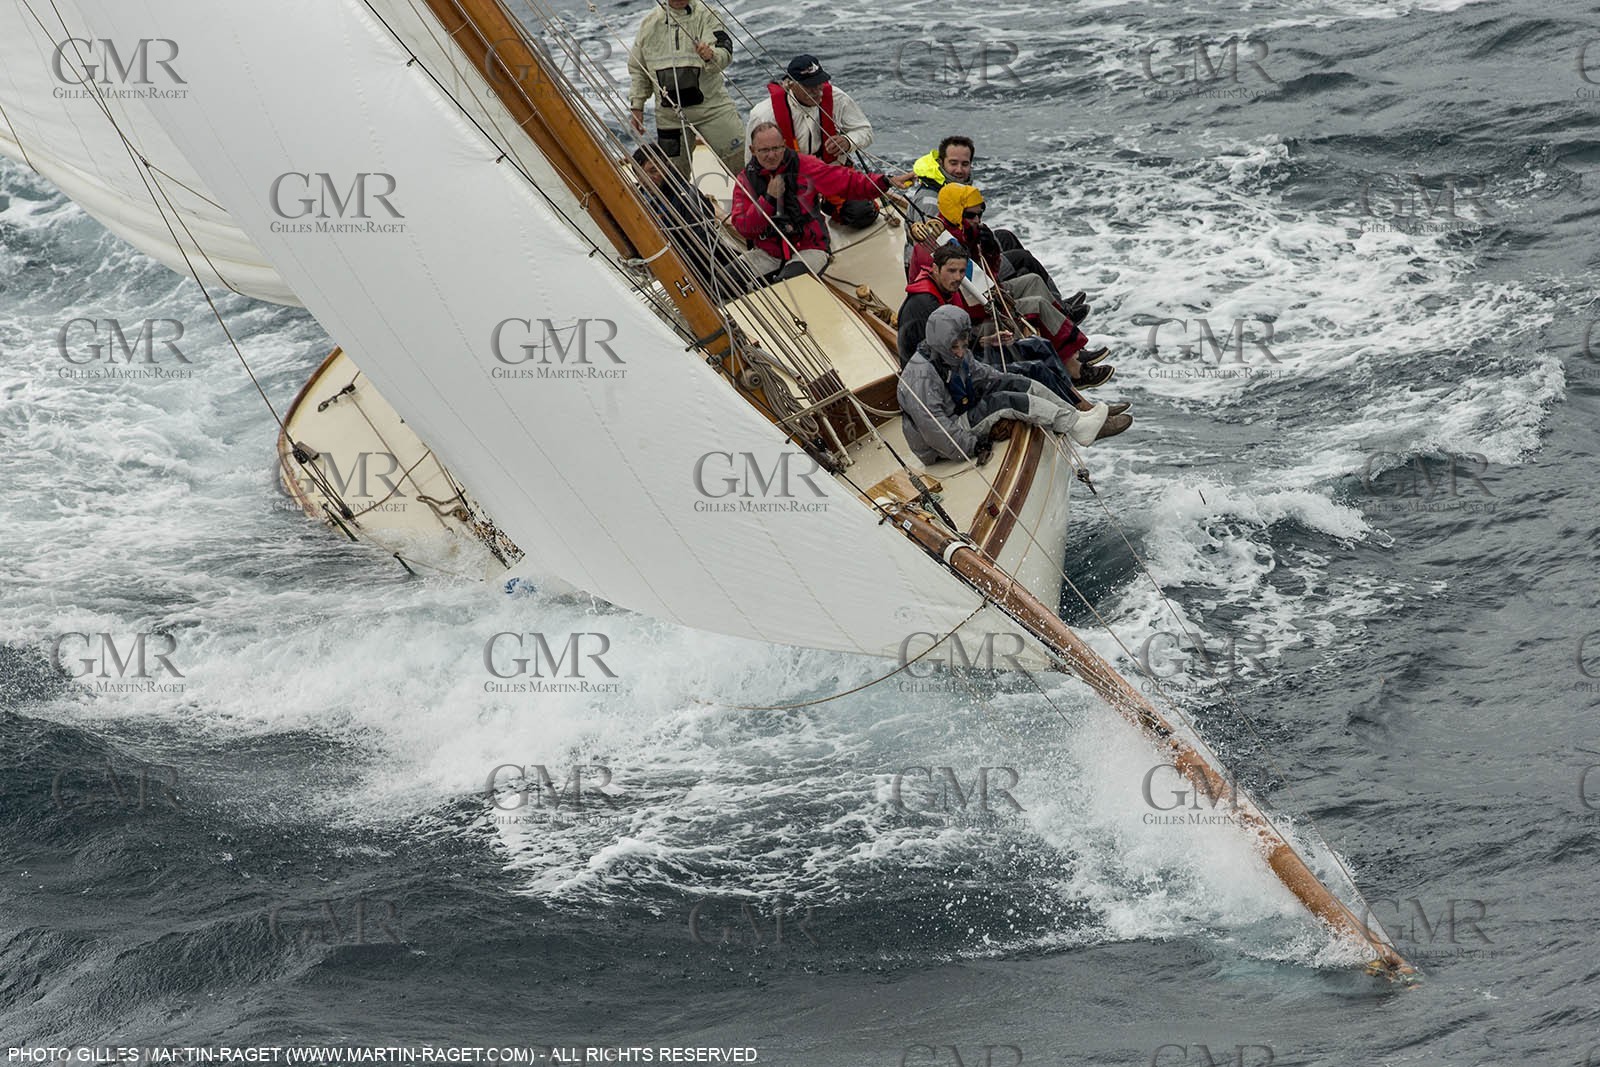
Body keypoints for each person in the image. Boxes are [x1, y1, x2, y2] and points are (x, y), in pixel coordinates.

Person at [905, 190, 1114, 387]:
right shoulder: (942, 245)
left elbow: (988, 277)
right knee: (1037, 305)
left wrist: (990, 251)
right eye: (971, 215)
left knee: (1033, 280)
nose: (978, 220)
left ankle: (1074, 351)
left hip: (979, 298)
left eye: (980, 214)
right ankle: (1074, 369)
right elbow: (976, 297)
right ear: (955, 211)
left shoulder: (961, 232)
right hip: (970, 312)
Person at [898, 306, 1131, 467]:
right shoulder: (921, 377)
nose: (960, 352)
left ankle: (1078, 420)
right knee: (1004, 402)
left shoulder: (953, 354)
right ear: (940, 344)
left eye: (963, 345)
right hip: (943, 442)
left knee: (1017, 383)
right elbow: (935, 429)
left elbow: (984, 375)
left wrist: (1007, 381)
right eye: (955, 348)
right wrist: (974, 446)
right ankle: (1076, 426)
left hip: (958, 412)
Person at [732, 121, 910, 282]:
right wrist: (769, 200)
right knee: (724, 280)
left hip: (809, 248)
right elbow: (744, 227)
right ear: (753, 150)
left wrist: (885, 182)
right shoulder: (745, 180)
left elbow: (847, 181)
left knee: (788, 285)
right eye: (764, 150)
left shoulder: (806, 166)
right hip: (768, 252)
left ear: (784, 146)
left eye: (776, 148)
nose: (771, 155)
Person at [908, 135, 1068, 303]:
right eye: (953, 163)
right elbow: (938, 249)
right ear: (941, 163)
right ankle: (1059, 306)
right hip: (954, 273)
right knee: (1023, 259)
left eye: (965, 164)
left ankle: (1053, 299)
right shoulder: (931, 202)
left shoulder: (952, 187)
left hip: (963, 252)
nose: (959, 170)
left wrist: (986, 242)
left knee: (1005, 237)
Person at [745, 55, 879, 229]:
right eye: (809, 86)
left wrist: (847, 141)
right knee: (789, 225)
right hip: (789, 180)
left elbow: (865, 130)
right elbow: (751, 161)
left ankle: (831, 204)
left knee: (863, 213)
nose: (818, 91)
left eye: (819, 83)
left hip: (830, 172)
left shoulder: (838, 98)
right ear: (791, 84)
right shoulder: (763, 114)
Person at [628, 0, 745, 177]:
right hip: (670, 117)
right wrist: (637, 105)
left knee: (742, 165)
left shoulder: (707, 15)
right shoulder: (649, 25)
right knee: (672, 177)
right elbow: (638, 69)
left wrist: (711, 55)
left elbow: (724, 52)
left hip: (712, 109)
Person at [631, 145, 748, 298]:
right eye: (640, 175)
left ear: (666, 168)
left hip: (708, 277)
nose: (646, 180)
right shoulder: (640, 199)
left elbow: (702, 248)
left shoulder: (688, 198)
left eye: (653, 171)